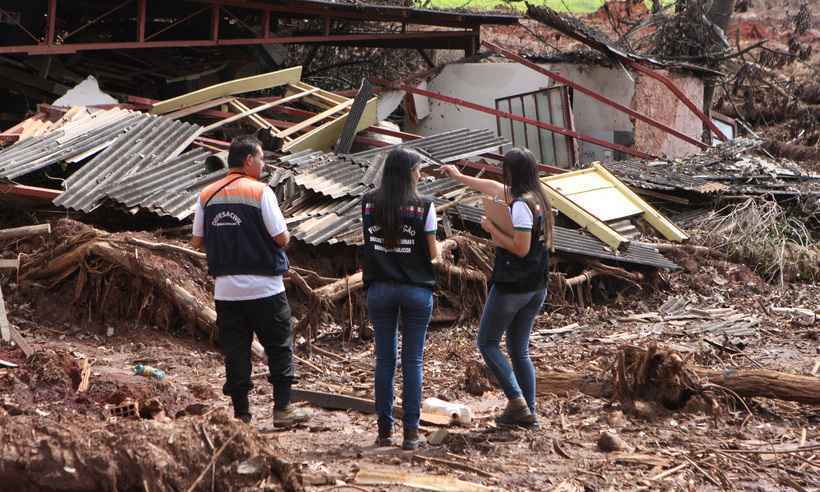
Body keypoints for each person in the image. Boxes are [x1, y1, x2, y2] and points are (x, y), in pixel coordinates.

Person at [192, 135, 310, 428]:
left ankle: (241, 415)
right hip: (265, 287)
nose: (264, 164)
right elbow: (281, 238)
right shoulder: (261, 192)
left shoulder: (207, 194)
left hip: (226, 290)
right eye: (261, 159)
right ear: (248, 160)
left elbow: (196, 241)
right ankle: (282, 410)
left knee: (236, 350)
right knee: (279, 345)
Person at [441, 148, 554, 428]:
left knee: (487, 343)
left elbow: (520, 247)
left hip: (514, 285)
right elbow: (492, 187)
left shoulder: (519, 206)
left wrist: (492, 229)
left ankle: (516, 401)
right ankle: (529, 414)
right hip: (536, 286)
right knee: (518, 350)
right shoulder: (538, 196)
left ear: (512, 172)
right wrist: (459, 176)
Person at [361, 148, 440, 450]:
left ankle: (384, 432)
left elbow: (371, 242)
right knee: (413, 361)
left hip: (380, 289)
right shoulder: (424, 207)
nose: (421, 174)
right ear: (408, 172)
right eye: (419, 169)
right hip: (416, 291)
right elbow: (433, 255)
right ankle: (410, 433)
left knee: (384, 360)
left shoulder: (368, 203)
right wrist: (442, 250)